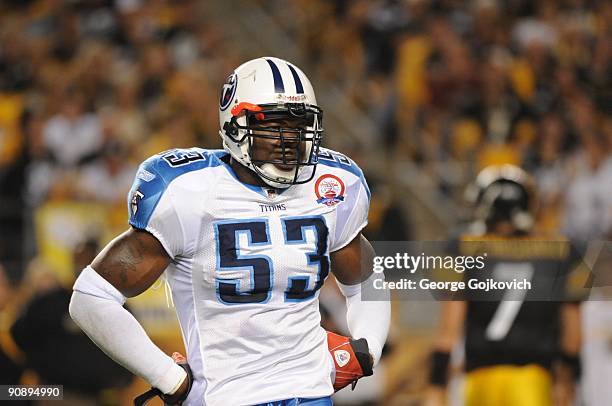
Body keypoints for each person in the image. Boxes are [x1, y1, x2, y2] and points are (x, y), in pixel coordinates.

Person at [69, 57, 390, 406]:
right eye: (273, 125)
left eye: (299, 126)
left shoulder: (332, 185)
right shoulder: (187, 191)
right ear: (236, 125)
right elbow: (91, 297)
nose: (290, 140)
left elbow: (367, 279)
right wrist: (165, 376)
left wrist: (367, 348)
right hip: (225, 397)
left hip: (311, 393)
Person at [425, 165, 585, 406]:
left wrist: (436, 384)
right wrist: (569, 378)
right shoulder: (562, 249)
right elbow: (573, 333)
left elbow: (449, 331)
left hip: (481, 382)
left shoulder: (463, 248)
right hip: (534, 383)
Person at [11, 241, 133, 405]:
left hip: (102, 396)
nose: (83, 265)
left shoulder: (116, 304)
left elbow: (131, 346)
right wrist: (37, 366)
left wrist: (122, 380)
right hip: (58, 393)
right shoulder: (52, 302)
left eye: (88, 259)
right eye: (78, 259)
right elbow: (18, 332)